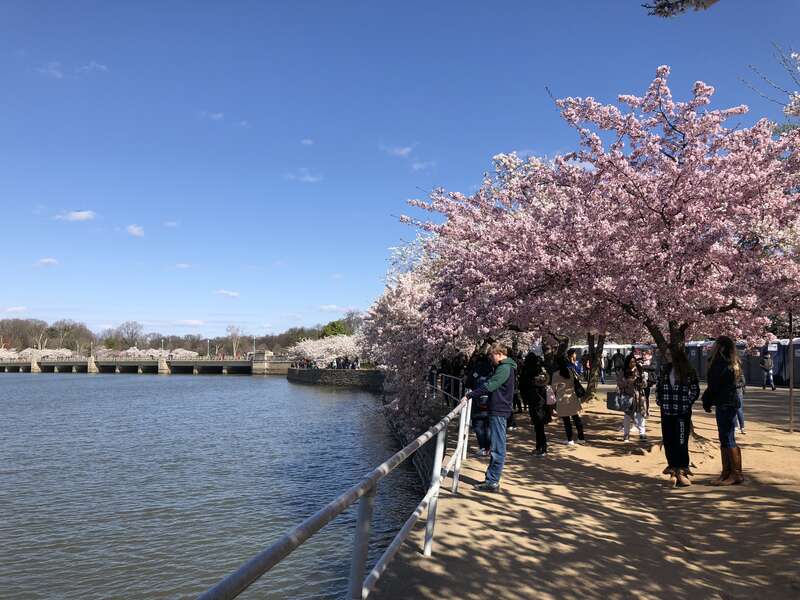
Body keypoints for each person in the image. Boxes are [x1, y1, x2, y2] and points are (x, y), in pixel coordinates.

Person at [462, 343, 517, 492]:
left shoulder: (504, 368)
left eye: (492, 356)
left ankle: (492, 481)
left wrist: (470, 395)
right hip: (499, 408)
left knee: (497, 446)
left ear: (499, 354)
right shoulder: (505, 367)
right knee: (496, 445)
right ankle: (491, 478)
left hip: (499, 409)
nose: (491, 359)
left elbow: (490, 385)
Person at [703, 335, 745, 486]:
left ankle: (734, 474)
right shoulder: (734, 362)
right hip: (731, 402)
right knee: (727, 437)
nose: (712, 347)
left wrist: (706, 401)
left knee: (726, 437)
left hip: (725, 403)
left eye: (715, 345)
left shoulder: (719, 364)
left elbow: (714, 385)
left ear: (720, 347)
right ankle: (728, 472)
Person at [655, 347, 700, 486]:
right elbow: (658, 387)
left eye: (670, 353)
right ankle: (673, 470)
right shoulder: (664, 370)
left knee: (681, 441)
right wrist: (660, 401)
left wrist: (687, 403)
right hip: (667, 411)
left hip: (682, 412)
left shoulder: (688, 371)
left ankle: (682, 470)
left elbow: (695, 390)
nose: (667, 356)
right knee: (669, 441)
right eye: (666, 353)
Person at [520, 352, 550, 456]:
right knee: (539, 426)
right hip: (542, 399)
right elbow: (546, 381)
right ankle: (541, 447)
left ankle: (541, 448)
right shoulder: (540, 370)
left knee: (538, 426)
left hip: (533, 400)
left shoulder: (527, 371)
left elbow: (522, 385)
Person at [466, 347, 493, 457]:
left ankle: (483, 447)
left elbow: (468, 383)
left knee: (478, 425)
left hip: (477, 400)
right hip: (490, 401)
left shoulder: (476, 370)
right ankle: (489, 447)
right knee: (488, 425)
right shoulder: (493, 370)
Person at [552, 354, 585, 445]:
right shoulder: (570, 371)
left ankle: (570, 439)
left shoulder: (556, 374)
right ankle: (581, 438)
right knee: (576, 418)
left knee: (566, 420)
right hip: (572, 397)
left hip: (562, 399)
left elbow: (553, 388)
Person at [618, 353, 647, 442]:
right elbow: (619, 383)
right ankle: (626, 435)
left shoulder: (639, 370)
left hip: (639, 396)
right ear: (627, 363)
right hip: (628, 396)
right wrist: (628, 382)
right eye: (631, 362)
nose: (633, 364)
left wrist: (641, 381)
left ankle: (642, 433)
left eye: (634, 362)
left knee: (640, 414)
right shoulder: (623, 372)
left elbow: (645, 384)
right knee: (627, 416)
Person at [736, 368, 746, 435]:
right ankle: (736, 426)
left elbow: (743, 382)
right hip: (732, 393)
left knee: (739, 410)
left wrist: (735, 385)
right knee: (734, 410)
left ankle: (742, 427)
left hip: (738, 393)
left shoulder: (739, 372)